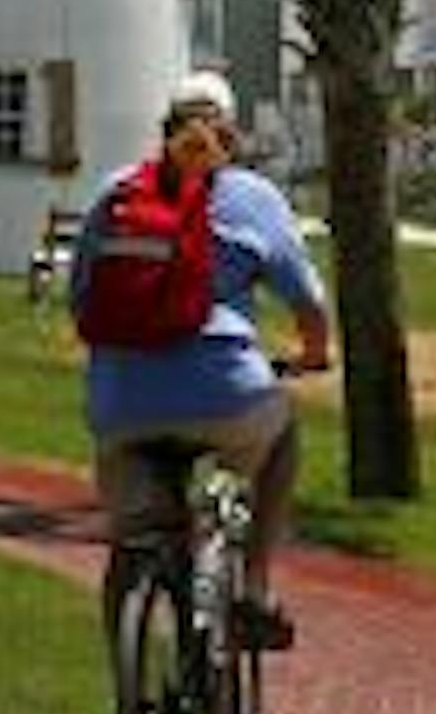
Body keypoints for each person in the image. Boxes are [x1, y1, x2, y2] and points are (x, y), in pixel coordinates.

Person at [70, 68, 331, 649]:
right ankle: (255, 588)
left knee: (134, 540)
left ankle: (132, 704)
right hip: (226, 393)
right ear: (229, 137)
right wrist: (314, 355)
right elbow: (307, 301)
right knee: (281, 434)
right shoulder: (253, 197)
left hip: (122, 402)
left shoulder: (117, 194)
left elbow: (81, 297)